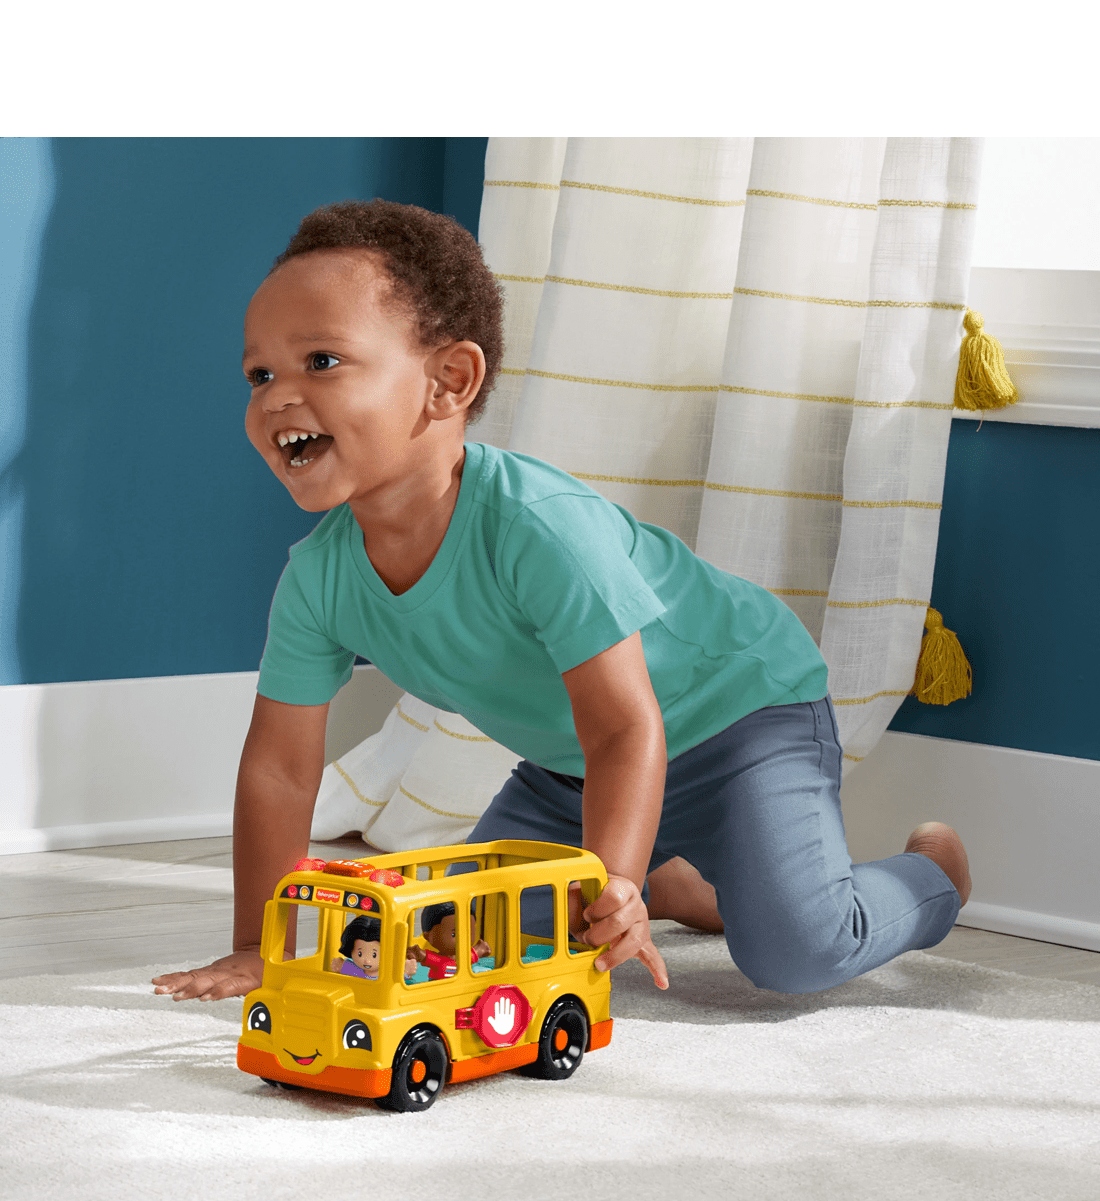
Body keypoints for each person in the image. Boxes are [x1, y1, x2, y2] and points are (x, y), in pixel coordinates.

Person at [153, 198, 970, 1007]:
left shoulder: (536, 526)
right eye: (260, 374)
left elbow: (625, 725)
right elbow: (280, 768)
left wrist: (614, 878)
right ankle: (677, 880)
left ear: (448, 382)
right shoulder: (317, 579)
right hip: (577, 773)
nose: (277, 398)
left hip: (743, 718)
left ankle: (931, 874)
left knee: (799, 949)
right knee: (454, 943)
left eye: (322, 361)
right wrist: (258, 946)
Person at [410, 902, 492, 981]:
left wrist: (482, 949)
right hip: (440, 987)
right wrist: (416, 953)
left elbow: (475, 953)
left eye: (468, 932)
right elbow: (424, 956)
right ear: (427, 936)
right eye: (454, 934)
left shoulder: (466, 957)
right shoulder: (438, 960)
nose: (461, 939)